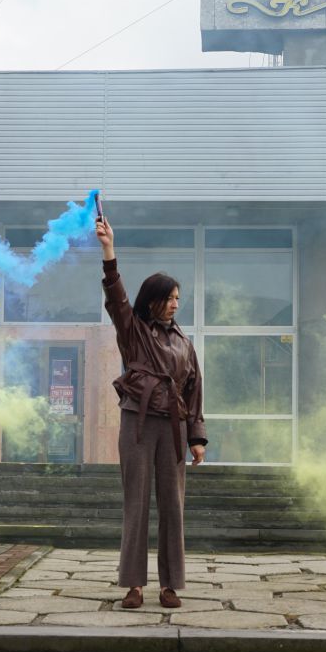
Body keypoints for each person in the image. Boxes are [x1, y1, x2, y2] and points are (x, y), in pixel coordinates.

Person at [96, 212, 207, 610]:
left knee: (173, 507)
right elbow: (116, 297)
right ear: (154, 299)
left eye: (178, 298)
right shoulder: (133, 330)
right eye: (171, 297)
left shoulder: (184, 343)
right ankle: (134, 585)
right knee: (137, 503)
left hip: (173, 428)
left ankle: (170, 585)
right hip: (138, 424)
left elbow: (194, 389)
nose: (176, 303)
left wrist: (196, 438)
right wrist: (109, 249)